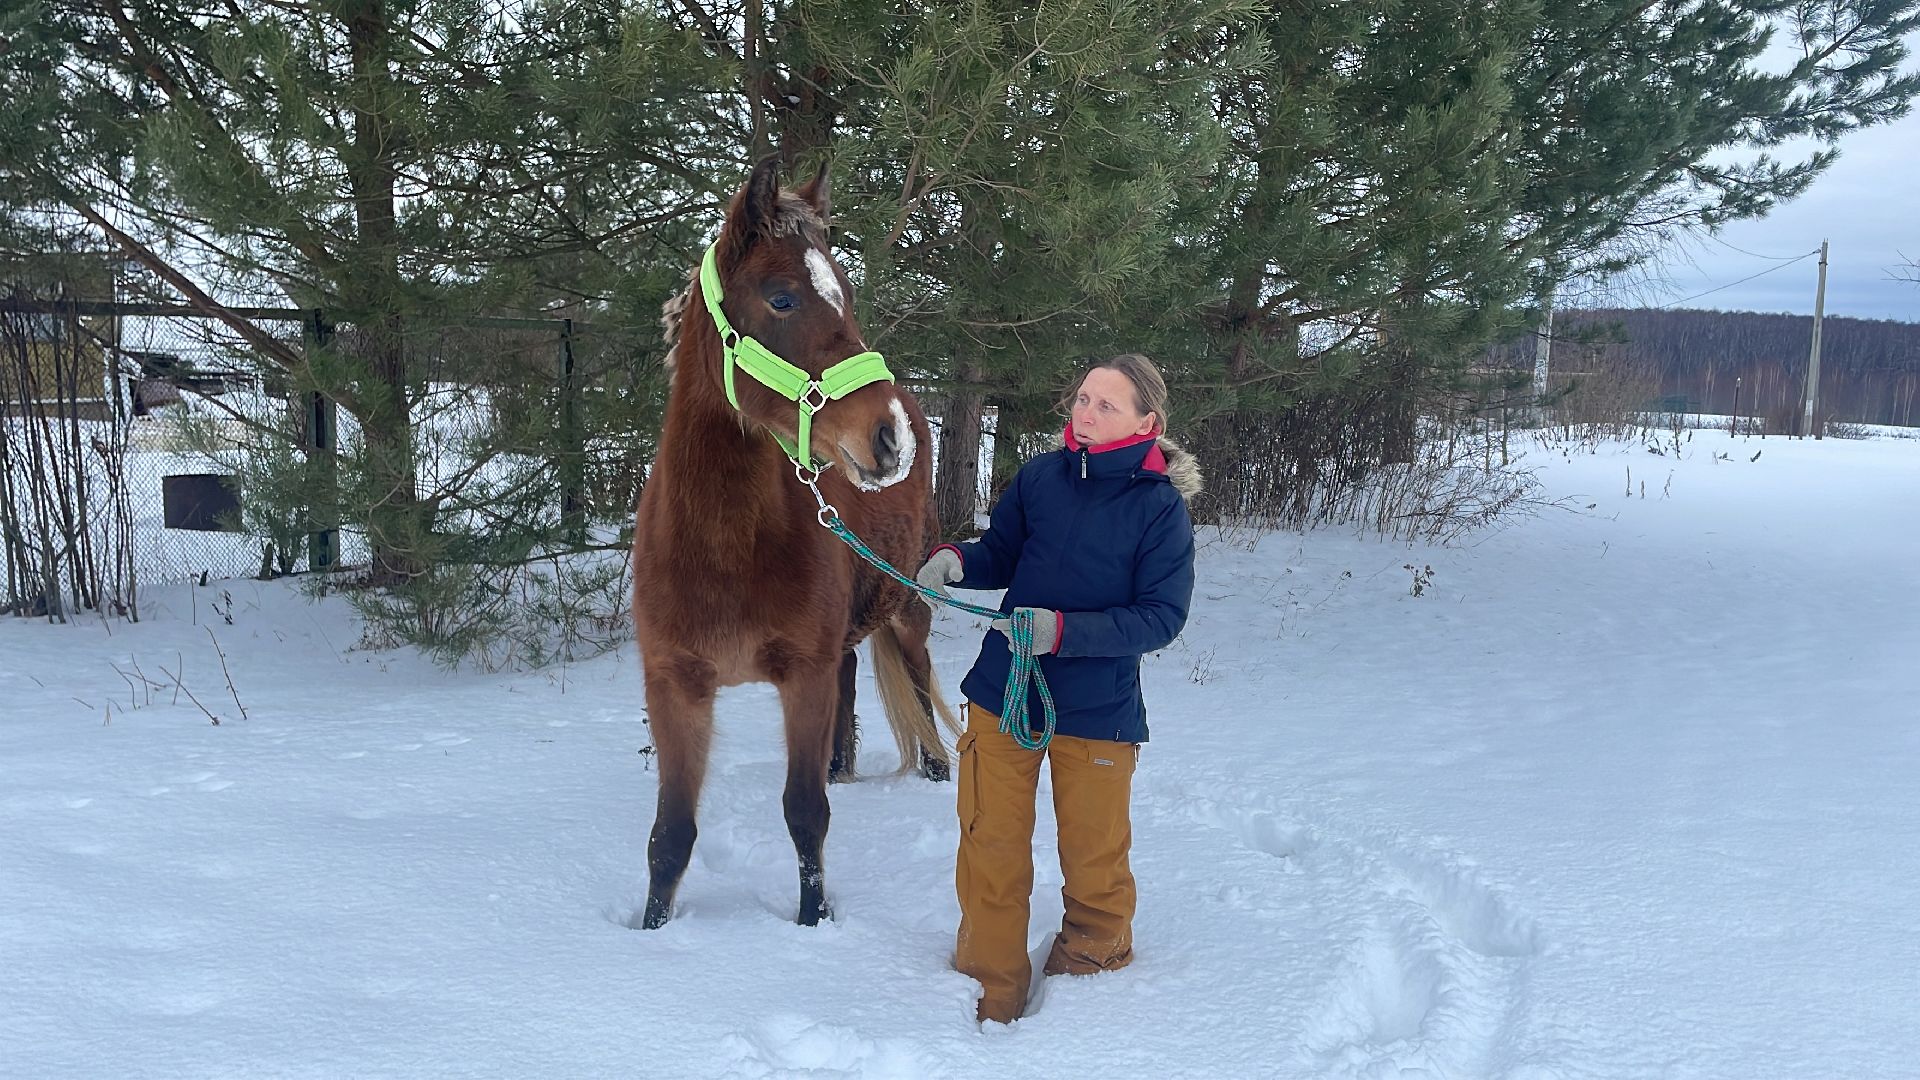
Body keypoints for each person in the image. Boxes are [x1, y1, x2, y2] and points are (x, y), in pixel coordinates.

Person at [915, 353, 1202, 1025]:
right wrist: (957, 558)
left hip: (1098, 707)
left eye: (1107, 404)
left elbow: (1161, 617)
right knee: (990, 843)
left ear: (1146, 421)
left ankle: (1092, 977)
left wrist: (1062, 633)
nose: (1086, 412)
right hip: (1003, 690)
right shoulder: (1042, 478)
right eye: (1082, 399)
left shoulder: (1159, 510)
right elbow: (1003, 551)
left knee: (1096, 856)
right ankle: (989, 984)